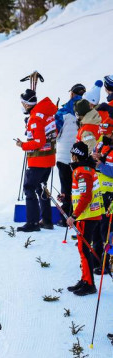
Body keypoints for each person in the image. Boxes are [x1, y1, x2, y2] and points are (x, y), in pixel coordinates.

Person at [16, 89, 58, 232]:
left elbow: (39, 141)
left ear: (28, 104)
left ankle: (32, 222)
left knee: (29, 188)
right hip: (48, 158)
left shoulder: (35, 118)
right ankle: (46, 220)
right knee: (41, 188)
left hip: (38, 159)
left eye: (23, 103)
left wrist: (24, 145)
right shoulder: (46, 113)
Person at [66, 142, 104, 296]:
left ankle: (89, 284)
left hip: (87, 215)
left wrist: (74, 216)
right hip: (87, 214)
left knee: (84, 249)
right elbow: (80, 194)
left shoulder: (82, 172)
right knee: (83, 248)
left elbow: (86, 196)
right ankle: (85, 279)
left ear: (76, 155)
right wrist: (67, 197)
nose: (71, 157)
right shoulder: (83, 169)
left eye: (72, 154)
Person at [54, 84, 85, 222]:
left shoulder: (63, 112)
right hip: (79, 156)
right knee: (77, 186)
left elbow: (55, 133)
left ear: (72, 94)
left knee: (65, 187)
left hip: (64, 155)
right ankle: (77, 215)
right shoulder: (86, 110)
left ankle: (65, 217)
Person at [92, 118, 113, 274]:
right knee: (98, 227)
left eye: (108, 133)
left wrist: (101, 165)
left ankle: (107, 263)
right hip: (99, 193)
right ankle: (97, 259)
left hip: (110, 195)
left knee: (108, 230)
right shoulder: (101, 143)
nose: (105, 135)